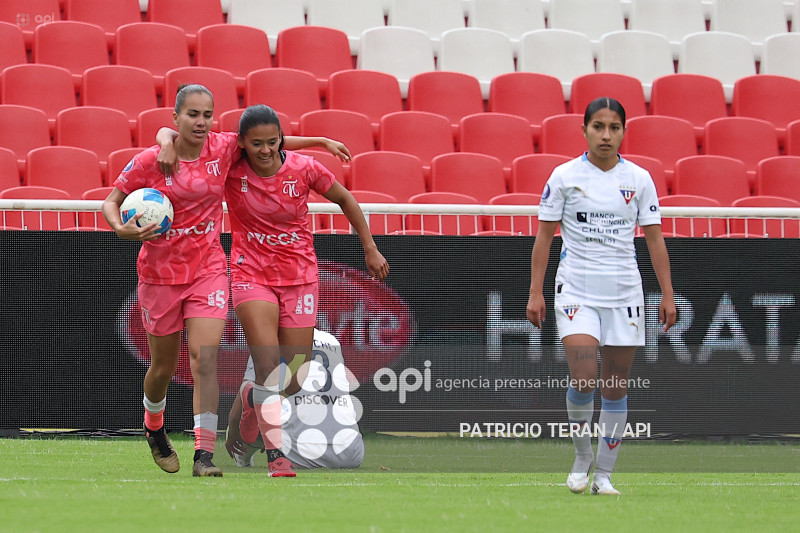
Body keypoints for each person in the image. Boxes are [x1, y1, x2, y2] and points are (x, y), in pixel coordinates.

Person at [103, 84, 352, 477]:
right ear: (176, 118)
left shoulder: (223, 149)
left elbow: (267, 142)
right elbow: (111, 201)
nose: (201, 122)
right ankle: (154, 425)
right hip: (159, 275)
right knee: (163, 369)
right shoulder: (153, 159)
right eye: (192, 115)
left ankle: (204, 456)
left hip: (208, 271)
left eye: (207, 115)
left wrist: (320, 141)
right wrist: (121, 228)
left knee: (205, 359)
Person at [222, 104, 388, 477]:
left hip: (299, 277)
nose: (265, 150)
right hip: (252, 275)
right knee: (267, 363)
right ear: (242, 145)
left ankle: (251, 398)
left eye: (272, 142)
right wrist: (164, 139)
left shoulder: (304, 169)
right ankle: (276, 457)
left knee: (292, 379)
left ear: (281, 139)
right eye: (256, 144)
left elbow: (345, 199)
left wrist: (370, 248)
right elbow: (184, 142)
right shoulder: (232, 166)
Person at [526, 97, 676, 496]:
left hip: (625, 293)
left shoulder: (640, 179)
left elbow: (655, 240)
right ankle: (581, 456)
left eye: (613, 127)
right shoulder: (563, 176)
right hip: (576, 290)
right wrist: (535, 292)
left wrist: (667, 294)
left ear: (624, 131)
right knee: (584, 376)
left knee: (614, 386)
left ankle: (605, 477)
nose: (605, 135)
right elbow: (544, 237)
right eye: (598, 126)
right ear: (585, 130)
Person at [225, 328, 365, 470]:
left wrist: (232, 437)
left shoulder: (268, 341)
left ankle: (244, 454)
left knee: (255, 394)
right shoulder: (332, 340)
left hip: (298, 453)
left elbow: (238, 411)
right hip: (352, 453)